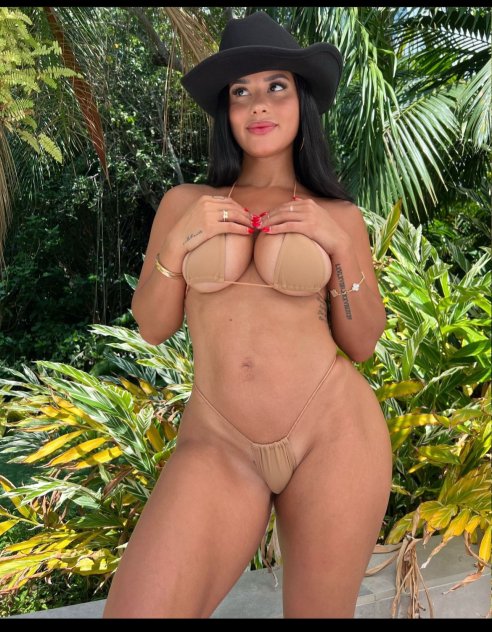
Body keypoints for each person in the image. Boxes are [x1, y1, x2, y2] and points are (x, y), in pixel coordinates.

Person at [102, 11, 393, 619]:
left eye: (275, 86)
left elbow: (363, 341)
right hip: (219, 441)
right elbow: (153, 326)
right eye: (241, 92)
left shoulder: (337, 214)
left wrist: (337, 246)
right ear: (226, 112)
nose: (258, 104)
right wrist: (180, 243)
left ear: (301, 100)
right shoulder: (186, 203)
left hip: (333, 434)